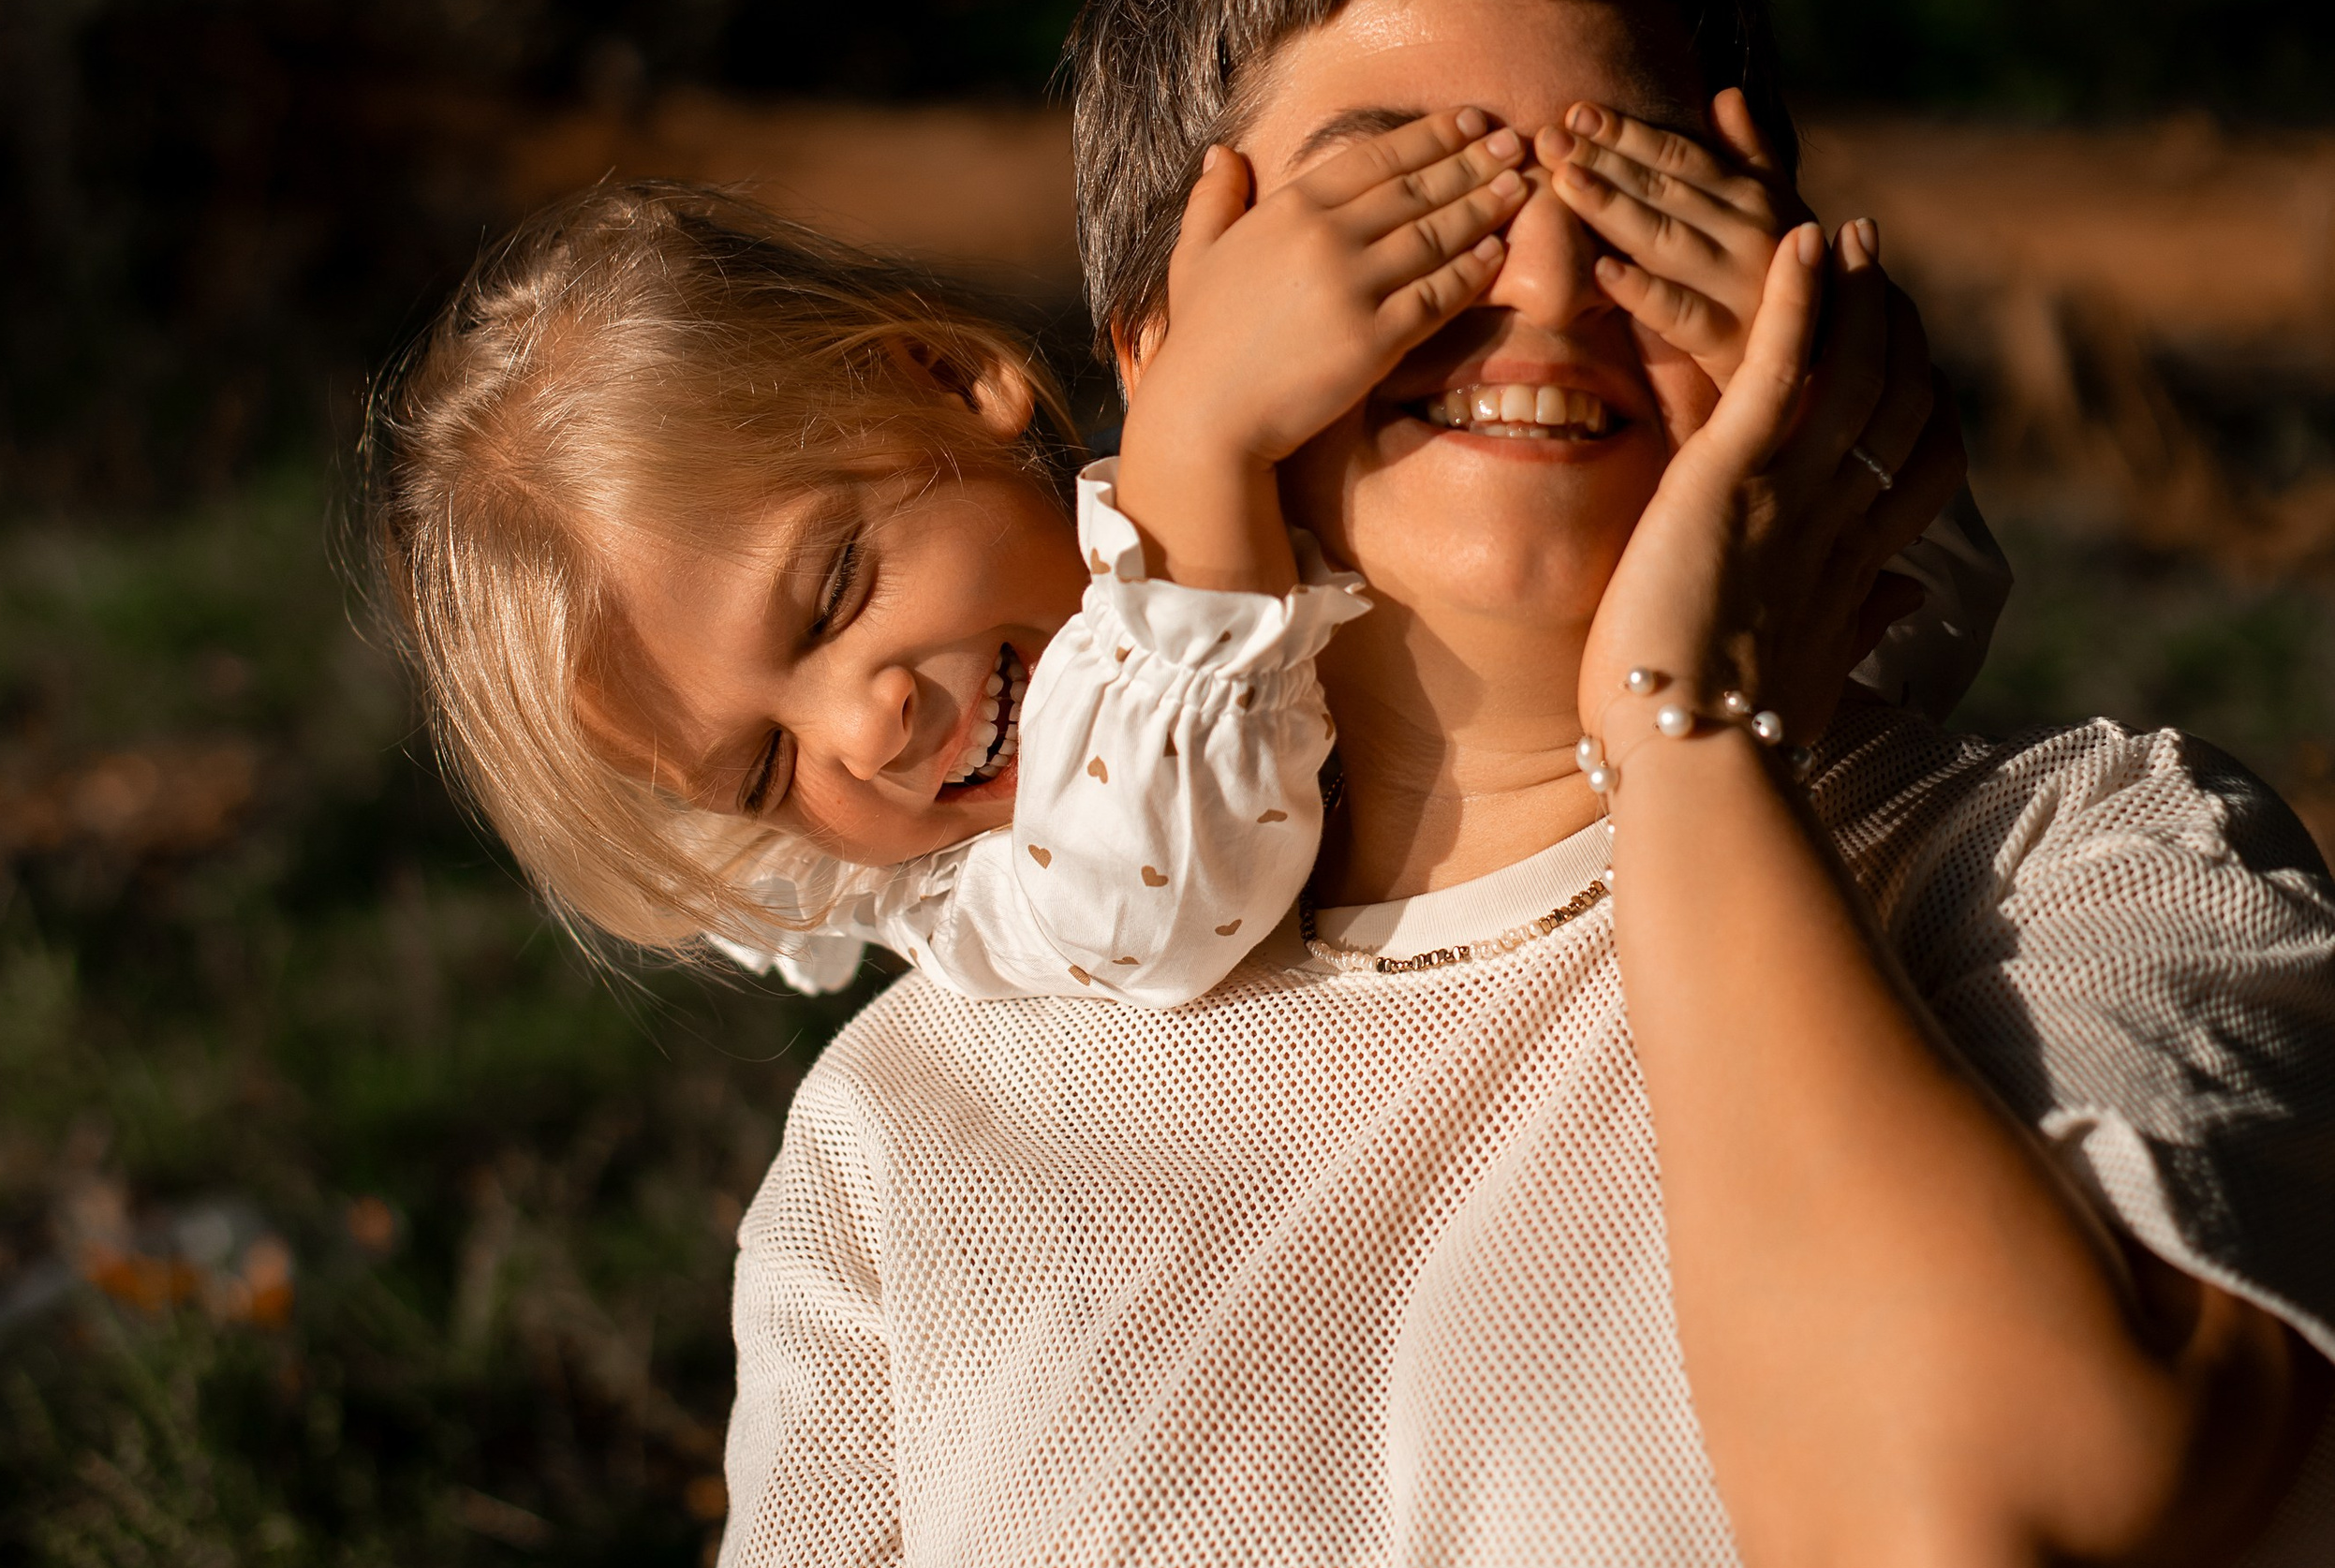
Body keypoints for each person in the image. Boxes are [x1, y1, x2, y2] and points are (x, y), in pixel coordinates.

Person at [666, 0, 2335, 1568]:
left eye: (1628, 196)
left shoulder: (2080, 877)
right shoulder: (919, 1115)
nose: (1538, 284)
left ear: (1789, 284)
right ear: (1158, 336)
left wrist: (1690, 728)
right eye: (1405, 207)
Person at [369, 85, 1996, 1015]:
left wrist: (1777, 397)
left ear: (950, 379)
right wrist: (1203, 442)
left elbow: (1917, 646)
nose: (861, 731)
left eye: (835, 594)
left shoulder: (1300, 513)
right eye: (758, 768)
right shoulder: (994, 888)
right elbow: (1164, 904)